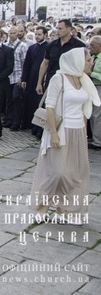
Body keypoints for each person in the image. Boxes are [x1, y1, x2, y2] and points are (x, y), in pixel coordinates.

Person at [30, 48, 100, 224]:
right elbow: (50, 107)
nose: (91, 63)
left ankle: (64, 209)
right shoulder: (58, 78)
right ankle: (43, 206)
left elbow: (85, 109)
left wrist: (84, 132)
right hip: (61, 129)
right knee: (57, 173)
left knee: (74, 174)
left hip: (78, 132)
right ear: (77, 61)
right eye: (88, 60)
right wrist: (53, 133)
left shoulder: (85, 80)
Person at [36, 19, 86, 94]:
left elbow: (83, 66)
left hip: (70, 83)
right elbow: (45, 63)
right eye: (57, 28)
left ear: (69, 29)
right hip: (52, 81)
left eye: (60, 29)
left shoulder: (79, 46)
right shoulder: (51, 45)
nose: (58, 31)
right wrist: (39, 83)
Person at [21, 26, 49, 137]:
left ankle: (40, 128)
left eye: (39, 34)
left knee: (41, 103)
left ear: (45, 35)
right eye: (36, 34)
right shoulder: (32, 48)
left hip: (43, 79)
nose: (37, 37)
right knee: (31, 102)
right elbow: (27, 64)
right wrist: (24, 79)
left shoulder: (49, 47)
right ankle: (32, 125)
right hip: (31, 79)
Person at [4, 27, 28, 130]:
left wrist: (22, 78)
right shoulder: (5, 45)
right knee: (8, 99)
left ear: (17, 34)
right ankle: (9, 120)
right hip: (7, 76)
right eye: (10, 33)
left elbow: (25, 63)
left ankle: (17, 122)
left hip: (17, 76)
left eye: (14, 33)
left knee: (16, 98)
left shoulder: (23, 46)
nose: (12, 35)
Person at [88, 36, 101, 150]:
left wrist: (91, 73)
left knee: (97, 115)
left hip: (99, 87)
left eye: (93, 46)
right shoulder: (93, 57)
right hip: (92, 87)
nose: (90, 47)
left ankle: (98, 141)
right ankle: (94, 137)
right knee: (92, 114)